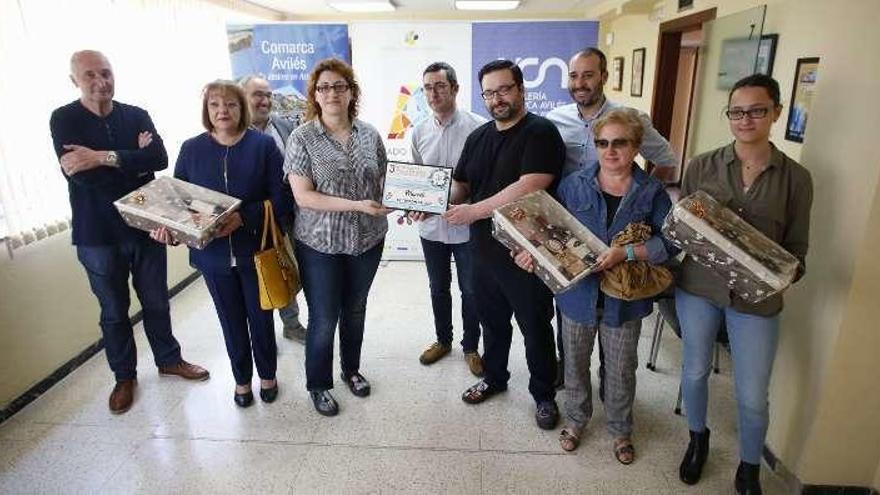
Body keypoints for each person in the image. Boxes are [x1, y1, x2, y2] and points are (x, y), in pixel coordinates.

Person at [49, 50, 209, 415]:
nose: (100, 81)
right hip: (97, 235)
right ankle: (124, 377)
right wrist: (131, 160)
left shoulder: (135, 114)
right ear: (75, 80)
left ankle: (169, 360)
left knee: (156, 301)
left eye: (105, 73)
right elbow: (81, 175)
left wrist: (102, 157)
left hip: (145, 226)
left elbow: (159, 159)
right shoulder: (64, 119)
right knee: (113, 311)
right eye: (89, 75)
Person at [675, 74, 813, 494]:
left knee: (753, 394)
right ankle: (698, 439)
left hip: (757, 301)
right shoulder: (702, 165)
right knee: (695, 372)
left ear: (776, 112)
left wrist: (784, 278)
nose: (745, 119)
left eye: (756, 110)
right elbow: (685, 225)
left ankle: (750, 466)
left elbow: (797, 249)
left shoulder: (796, 179)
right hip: (699, 286)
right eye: (737, 111)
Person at [513, 108, 674, 463]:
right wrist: (532, 255)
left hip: (625, 300)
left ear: (636, 146)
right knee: (574, 362)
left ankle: (620, 429)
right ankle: (576, 419)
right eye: (602, 143)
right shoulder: (574, 185)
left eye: (620, 143)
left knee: (619, 367)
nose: (610, 151)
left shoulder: (651, 192)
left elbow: (670, 244)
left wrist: (627, 252)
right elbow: (551, 233)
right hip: (577, 296)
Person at [546, 47, 678, 391]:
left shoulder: (629, 118)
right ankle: (571, 379)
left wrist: (643, 198)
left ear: (603, 76)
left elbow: (666, 158)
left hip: (620, 230)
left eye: (588, 75)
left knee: (617, 342)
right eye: (574, 76)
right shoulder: (556, 119)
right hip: (576, 227)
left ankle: (610, 384)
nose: (580, 83)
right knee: (574, 324)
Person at [152, 80, 289, 408]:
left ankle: (267, 376)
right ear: (206, 110)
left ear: (242, 108)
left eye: (230, 104)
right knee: (230, 322)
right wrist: (168, 230)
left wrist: (244, 218)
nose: (222, 111)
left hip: (255, 252)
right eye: (215, 105)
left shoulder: (262, 146)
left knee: (261, 319)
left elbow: (282, 199)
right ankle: (241, 380)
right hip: (212, 257)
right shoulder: (191, 149)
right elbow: (178, 207)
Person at [446, 59, 565, 430]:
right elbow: (462, 184)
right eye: (489, 92)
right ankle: (495, 378)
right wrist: (429, 201)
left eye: (504, 89)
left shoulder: (541, 132)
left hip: (528, 252)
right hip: (482, 250)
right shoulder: (478, 137)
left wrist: (474, 211)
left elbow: (531, 184)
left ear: (520, 89)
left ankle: (544, 394)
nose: (497, 98)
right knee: (492, 322)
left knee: (535, 325)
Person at [284, 58, 389, 417]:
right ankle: (318, 384)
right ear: (315, 95)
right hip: (320, 245)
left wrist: (396, 201)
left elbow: (384, 182)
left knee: (355, 310)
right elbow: (303, 195)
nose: (331, 93)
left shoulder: (370, 134)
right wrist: (357, 204)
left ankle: (351, 369)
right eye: (324, 87)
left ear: (351, 92)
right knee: (325, 316)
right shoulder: (302, 137)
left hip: (368, 241)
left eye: (339, 86)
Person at [408, 62, 487, 376]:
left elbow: (483, 183)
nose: (433, 93)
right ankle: (443, 340)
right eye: (428, 87)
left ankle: (471, 347)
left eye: (440, 86)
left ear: (455, 88)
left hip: (467, 227)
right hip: (431, 228)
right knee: (438, 287)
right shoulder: (419, 131)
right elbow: (415, 179)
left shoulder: (478, 128)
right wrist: (412, 200)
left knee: (471, 290)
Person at [240, 75, 307, 343]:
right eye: (257, 94)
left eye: (268, 95)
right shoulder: (236, 134)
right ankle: (274, 329)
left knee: (293, 269)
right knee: (267, 272)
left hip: (291, 212)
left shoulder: (284, 126)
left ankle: (293, 324)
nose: (265, 100)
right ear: (242, 96)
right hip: (254, 218)